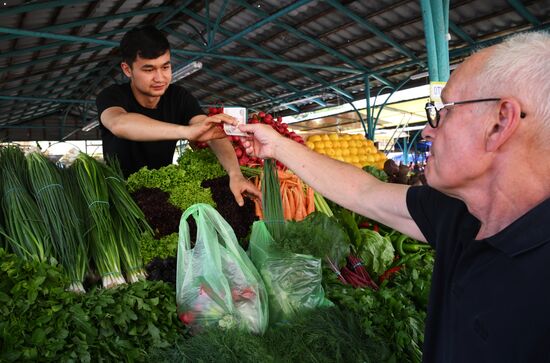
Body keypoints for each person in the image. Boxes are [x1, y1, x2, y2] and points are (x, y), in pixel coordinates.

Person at [239, 31, 550, 362]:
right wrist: (277, 145)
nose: (427, 131)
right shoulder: (461, 212)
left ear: (499, 124)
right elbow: (364, 191)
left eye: (443, 111)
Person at [96, 25, 259, 206]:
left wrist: (235, 173)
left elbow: (213, 134)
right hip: (118, 198)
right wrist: (187, 131)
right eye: (149, 70)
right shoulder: (112, 96)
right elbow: (119, 124)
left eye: (165, 67)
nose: (160, 78)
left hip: (161, 197)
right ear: (127, 70)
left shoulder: (179, 97)